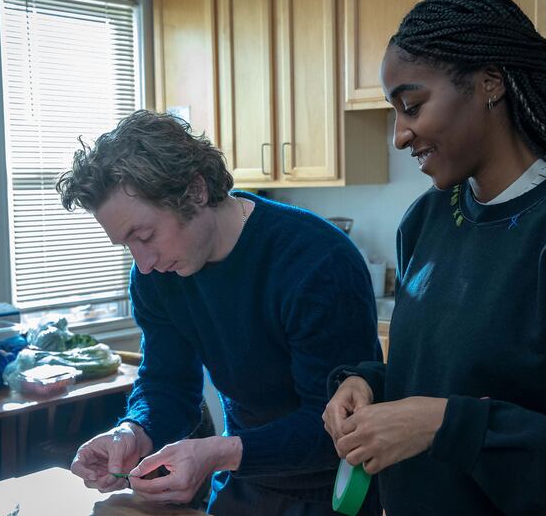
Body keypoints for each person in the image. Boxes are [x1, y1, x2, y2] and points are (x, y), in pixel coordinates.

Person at [323, 0, 546, 515]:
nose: (400, 136)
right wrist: (370, 383)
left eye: (412, 105)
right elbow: (454, 374)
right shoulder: (427, 220)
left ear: (490, 84)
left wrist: (452, 427)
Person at [57, 109, 382, 515]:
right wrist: (134, 429)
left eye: (144, 235)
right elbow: (167, 383)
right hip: (242, 480)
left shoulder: (315, 261)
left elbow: (335, 425)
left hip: (331, 490)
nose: (142, 262)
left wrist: (218, 452)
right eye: (127, 245)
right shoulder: (156, 277)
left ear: (195, 192)